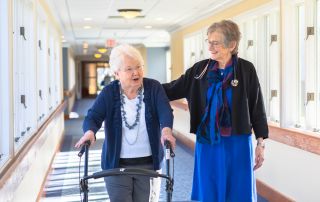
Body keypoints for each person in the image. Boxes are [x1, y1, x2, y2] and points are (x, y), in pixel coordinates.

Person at [162, 20, 268, 202]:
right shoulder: (199, 70)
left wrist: (260, 143)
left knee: (237, 190)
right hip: (207, 140)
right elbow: (171, 89)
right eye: (208, 41)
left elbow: (257, 107)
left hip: (238, 142)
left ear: (232, 45)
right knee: (209, 189)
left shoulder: (245, 70)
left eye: (215, 42)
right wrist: (141, 86)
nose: (210, 46)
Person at [75, 44, 176, 202]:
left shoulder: (153, 87)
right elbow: (93, 116)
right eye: (129, 69)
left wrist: (166, 131)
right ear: (117, 73)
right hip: (116, 166)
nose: (136, 72)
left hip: (149, 164)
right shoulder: (109, 92)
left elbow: (165, 111)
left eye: (138, 67)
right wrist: (90, 132)